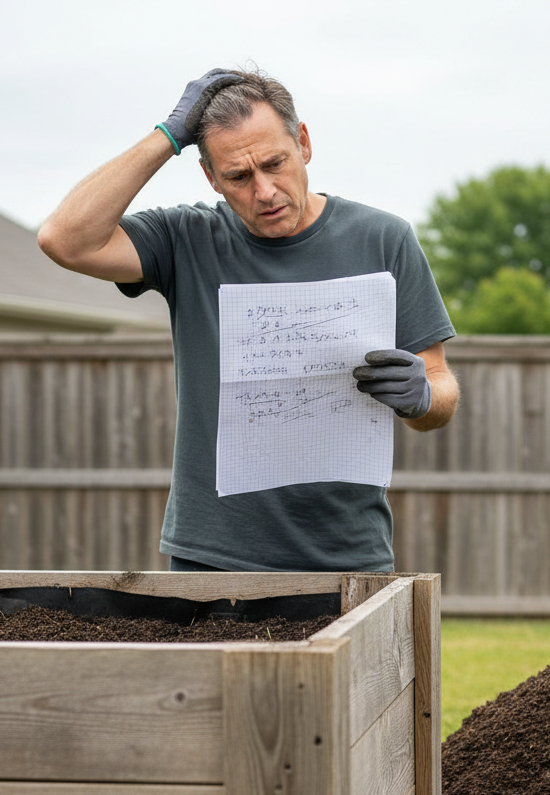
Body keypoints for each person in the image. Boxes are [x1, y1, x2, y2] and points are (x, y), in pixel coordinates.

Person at [38, 68, 459, 572]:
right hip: (212, 560)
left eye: (275, 163)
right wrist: (168, 135)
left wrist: (423, 396)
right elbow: (65, 240)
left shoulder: (383, 239)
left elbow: (440, 386)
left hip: (348, 557)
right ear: (211, 177)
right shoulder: (186, 240)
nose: (264, 191)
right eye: (238, 176)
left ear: (303, 143)